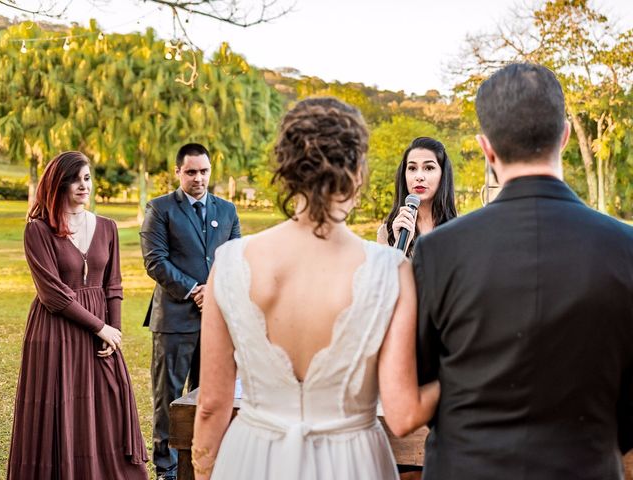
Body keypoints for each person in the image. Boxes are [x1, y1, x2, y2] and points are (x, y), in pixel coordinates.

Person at [191, 97, 441, 480]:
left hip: (252, 459)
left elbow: (210, 405)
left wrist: (206, 471)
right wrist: (461, 376)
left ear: (286, 170)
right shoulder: (390, 268)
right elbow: (403, 414)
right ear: (358, 172)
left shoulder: (229, 262)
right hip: (352, 463)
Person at [414, 63, 633, 480]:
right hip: (584, 467)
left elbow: (423, 381)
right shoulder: (626, 248)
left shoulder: (438, 251)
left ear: (486, 148)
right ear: (565, 136)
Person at [7, 151, 148, 479]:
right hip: (56, 332)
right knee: (63, 407)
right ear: (58, 184)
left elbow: (113, 285)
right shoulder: (38, 231)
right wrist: (100, 327)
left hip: (102, 335)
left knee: (108, 404)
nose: (83, 186)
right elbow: (53, 295)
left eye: (87, 178)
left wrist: (114, 330)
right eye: (75, 179)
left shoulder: (108, 227)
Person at [140, 142, 241, 480]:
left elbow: (235, 258)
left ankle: (203, 462)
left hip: (216, 322)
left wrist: (214, 291)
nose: (199, 178)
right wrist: (194, 290)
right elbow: (155, 261)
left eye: (204, 171)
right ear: (178, 172)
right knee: (168, 397)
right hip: (173, 321)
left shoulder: (227, 210)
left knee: (209, 396)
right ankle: (166, 469)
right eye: (191, 172)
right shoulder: (160, 209)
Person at [377, 137, 457, 255]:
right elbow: (386, 273)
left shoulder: (460, 228)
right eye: (412, 168)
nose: (419, 176)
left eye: (429, 168)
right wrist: (398, 247)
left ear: (443, 175)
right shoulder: (386, 232)